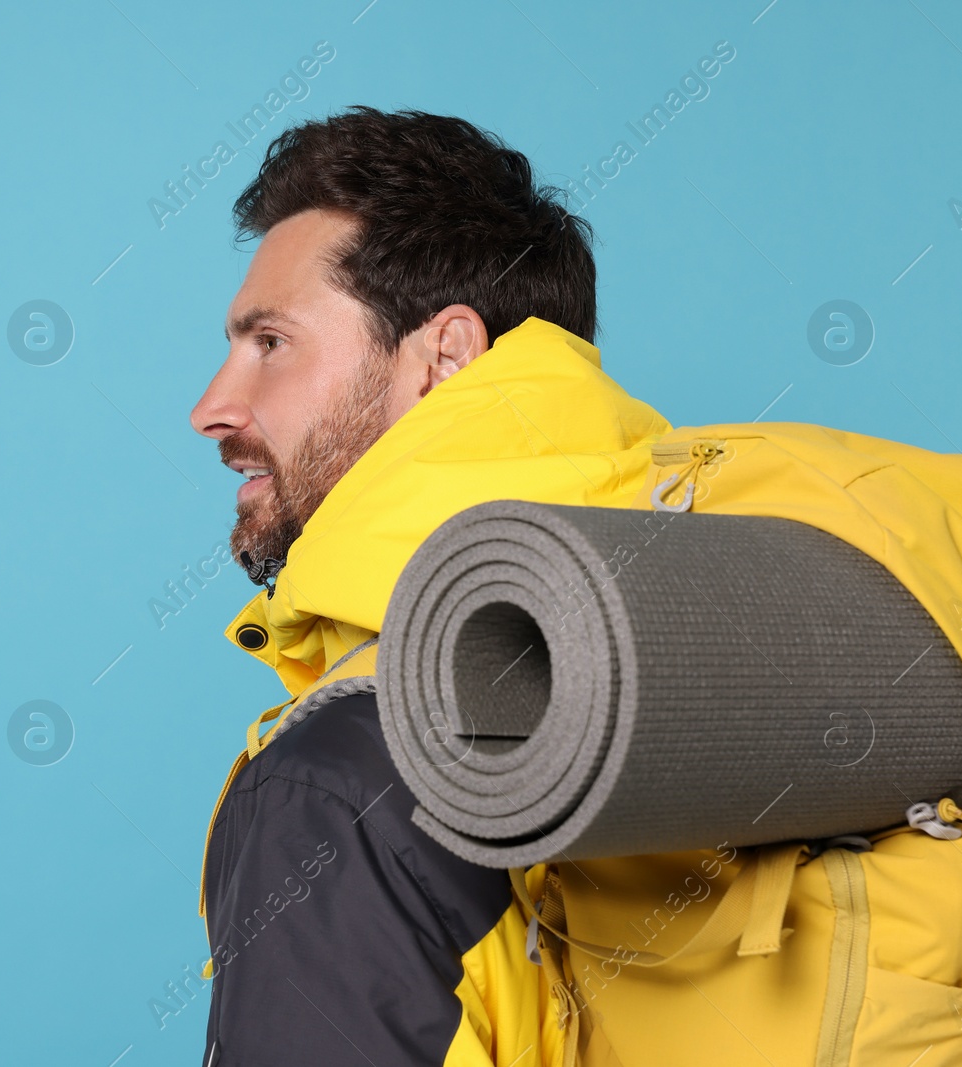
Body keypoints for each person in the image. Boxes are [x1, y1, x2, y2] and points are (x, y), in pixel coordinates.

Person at [187, 105, 660, 1066]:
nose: (213, 408)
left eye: (270, 341)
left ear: (443, 357)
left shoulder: (336, 788)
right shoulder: (707, 642)